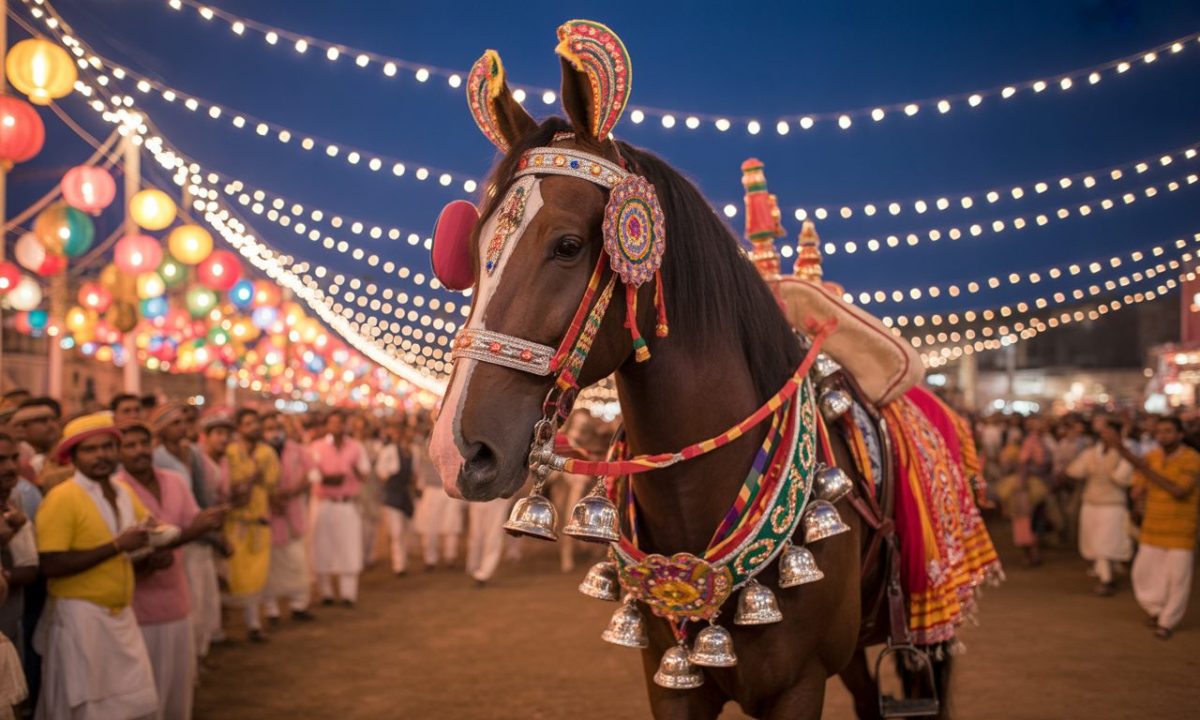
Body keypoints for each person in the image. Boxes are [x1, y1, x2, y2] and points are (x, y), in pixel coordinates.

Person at [34, 413, 158, 719]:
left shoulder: (122, 491)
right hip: (81, 617)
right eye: (90, 449)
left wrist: (158, 537)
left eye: (107, 447)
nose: (101, 455)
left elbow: (147, 529)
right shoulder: (63, 498)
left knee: (133, 703)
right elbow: (51, 564)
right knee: (87, 707)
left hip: (121, 614)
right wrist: (117, 546)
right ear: (72, 457)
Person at [117, 423, 225, 720]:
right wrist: (189, 533)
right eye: (130, 445)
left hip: (177, 597)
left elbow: (192, 521)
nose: (139, 451)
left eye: (144, 443)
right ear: (119, 451)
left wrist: (210, 521)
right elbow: (120, 547)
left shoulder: (175, 481)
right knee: (146, 692)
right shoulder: (118, 489)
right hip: (138, 605)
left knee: (178, 688)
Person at [1117, 416, 1200, 639]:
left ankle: (1167, 621)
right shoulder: (1151, 458)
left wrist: (1141, 467)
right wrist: (1137, 497)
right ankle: (1155, 609)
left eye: (1169, 431)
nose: (1163, 436)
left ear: (1181, 434)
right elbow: (1138, 490)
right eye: (1160, 432)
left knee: (1177, 579)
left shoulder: (1192, 459)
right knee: (1144, 574)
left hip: (1181, 528)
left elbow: (1179, 491)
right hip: (1152, 526)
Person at [224, 409, 279, 642]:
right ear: (238, 428)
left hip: (258, 523)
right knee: (231, 576)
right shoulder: (229, 452)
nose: (253, 427)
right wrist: (247, 481)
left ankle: (254, 624)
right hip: (234, 524)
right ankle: (219, 629)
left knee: (257, 576)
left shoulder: (267, 452)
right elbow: (226, 485)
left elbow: (272, 482)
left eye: (255, 423)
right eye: (247, 424)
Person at [309, 410, 370, 607]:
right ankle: (325, 592)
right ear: (326, 425)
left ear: (345, 425)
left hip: (346, 503)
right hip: (324, 503)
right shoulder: (316, 447)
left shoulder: (355, 447)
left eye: (340, 423)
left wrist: (351, 470)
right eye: (332, 422)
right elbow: (310, 474)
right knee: (322, 546)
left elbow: (365, 473)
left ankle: (348, 594)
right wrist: (327, 479)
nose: (336, 426)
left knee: (349, 547)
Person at [1067, 419, 1134, 596]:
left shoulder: (1125, 455)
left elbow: (1122, 478)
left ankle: (1106, 579)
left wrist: (1107, 466)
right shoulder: (1091, 453)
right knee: (1095, 542)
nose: (1107, 437)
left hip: (1113, 505)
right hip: (1090, 503)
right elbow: (1074, 470)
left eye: (1111, 433)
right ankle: (1106, 573)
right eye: (1105, 433)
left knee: (1106, 542)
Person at [261, 412, 314, 624]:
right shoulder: (259, 452)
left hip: (293, 514)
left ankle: (298, 605)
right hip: (268, 516)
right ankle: (271, 610)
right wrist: (271, 498)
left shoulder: (297, 450)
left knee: (297, 561)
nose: (274, 432)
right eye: (269, 427)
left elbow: (310, 472)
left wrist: (293, 492)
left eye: (277, 427)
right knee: (270, 566)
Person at [193, 411, 235, 653]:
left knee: (217, 586)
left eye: (227, 434)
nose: (223, 439)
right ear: (205, 437)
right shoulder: (198, 463)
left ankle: (214, 635)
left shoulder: (225, 462)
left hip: (220, 529)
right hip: (202, 536)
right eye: (218, 433)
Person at [0, 431, 36, 713]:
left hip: (11, 625)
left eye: (14, 458)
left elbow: (30, 569)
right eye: (0, 460)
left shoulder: (15, 503)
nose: (10, 467)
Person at [412, 424, 463, 571]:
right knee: (429, 526)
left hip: (450, 489)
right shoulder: (425, 446)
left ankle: (450, 556)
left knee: (451, 525)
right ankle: (430, 559)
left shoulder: (456, 444)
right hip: (431, 489)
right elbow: (420, 469)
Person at [374, 423, 414, 577]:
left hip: (405, 495)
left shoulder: (412, 451)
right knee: (397, 532)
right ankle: (399, 565)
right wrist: (389, 476)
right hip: (393, 495)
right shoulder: (389, 451)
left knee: (407, 530)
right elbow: (380, 471)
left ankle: (403, 560)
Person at [11, 398, 70, 494]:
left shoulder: (65, 454)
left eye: (53, 419)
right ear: (22, 427)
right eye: (42, 421)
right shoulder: (16, 457)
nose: (51, 425)